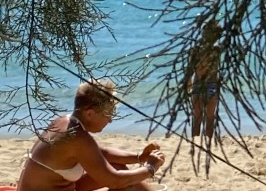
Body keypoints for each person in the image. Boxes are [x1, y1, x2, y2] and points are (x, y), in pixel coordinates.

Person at [17, 79, 164, 191]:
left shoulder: (63, 122)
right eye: (108, 114)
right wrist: (150, 168)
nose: (110, 120)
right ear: (90, 113)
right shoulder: (78, 138)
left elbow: (102, 153)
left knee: (118, 168)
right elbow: (114, 181)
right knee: (123, 180)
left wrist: (140, 157)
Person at [190, 19, 222, 140]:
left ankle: (201, 140)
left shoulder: (214, 49)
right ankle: (200, 140)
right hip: (205, 84)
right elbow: (190, 68)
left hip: (205, 84)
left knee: (203, 117)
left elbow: (190, 69)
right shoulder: (214, 49)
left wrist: (188, 82)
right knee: (204, 117)